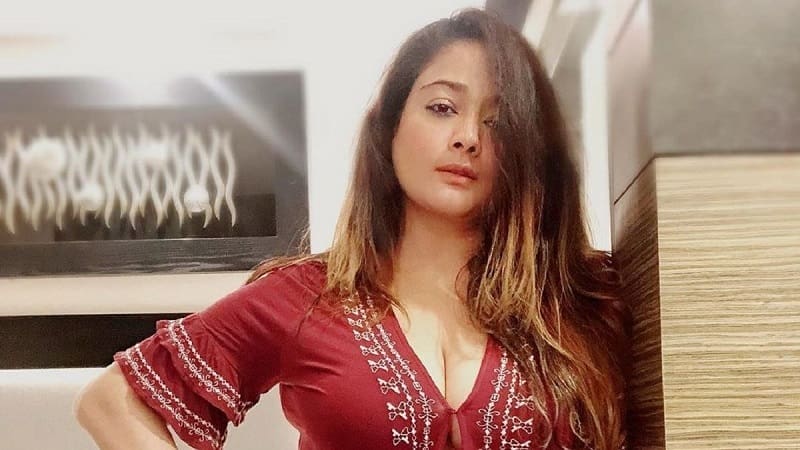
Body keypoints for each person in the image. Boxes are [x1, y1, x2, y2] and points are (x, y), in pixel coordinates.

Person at [74, 8, 629, 450]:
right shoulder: (307, 297)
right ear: (389, 128)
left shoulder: (585, 296)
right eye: (442, 107)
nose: (468, 137)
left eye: (498, 121)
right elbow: (110, 402)